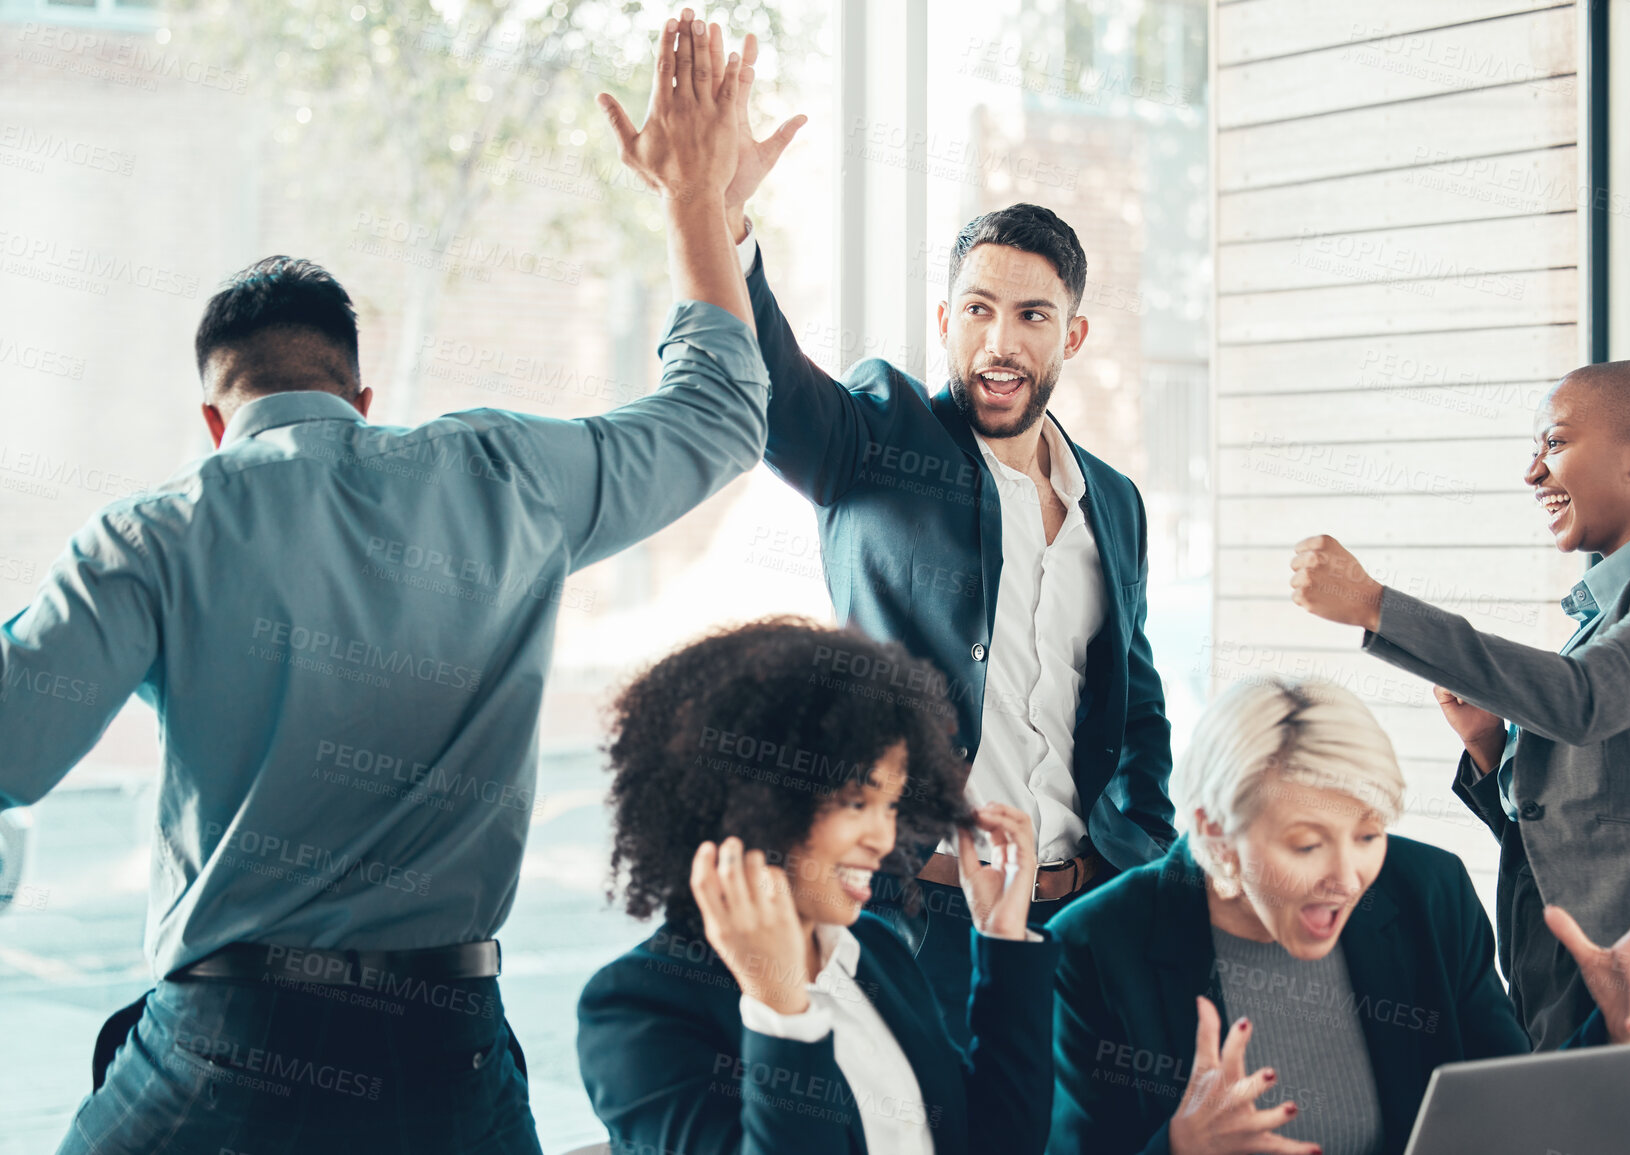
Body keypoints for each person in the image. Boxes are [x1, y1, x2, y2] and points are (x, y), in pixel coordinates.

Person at [1, 16, 766, 1154]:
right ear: (360, 394)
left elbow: (12, 749)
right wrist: (696, 205)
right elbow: (718, 416)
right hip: (443, 1052)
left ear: (216, 419)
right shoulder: (504, 474)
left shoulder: (154, 535)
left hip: (228, 1049)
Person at [686, 28, 1175, 1043]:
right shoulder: (882, 437)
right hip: (928, 915)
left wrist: (1144, 852)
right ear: (945, 318)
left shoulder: (1113, 501)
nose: (1001, 341)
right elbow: (778, 392)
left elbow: (1135, 702)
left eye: (1033, 317)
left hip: (1082, 910)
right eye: (979, 310)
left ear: (1071, 337)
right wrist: (722, 216)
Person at [1290, 360, 1630, 1153]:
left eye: (1553, 443)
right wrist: (1493, 754)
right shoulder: (1615, 607)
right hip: (1579, 986)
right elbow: (1592, 816)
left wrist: (1376, 607)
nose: (1532, 472)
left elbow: (1583, 699)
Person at [1047, 676, 1630, 1155]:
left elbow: (1505, 1115)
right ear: (1216, 835)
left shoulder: (1428, 891)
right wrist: (1181, 1146)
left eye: (1369, 833)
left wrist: (1617, 1029)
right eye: (1305, 844)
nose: (1348, 878)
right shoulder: (1094, 943)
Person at [575, 617, 1059, 1155]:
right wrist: (780, 1008)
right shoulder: (636, 1009)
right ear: (752, 798)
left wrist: (1001, 938)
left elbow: (999, 1143)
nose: (883, 836)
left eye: (891, 804)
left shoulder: (875, 951)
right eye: (857, 802)